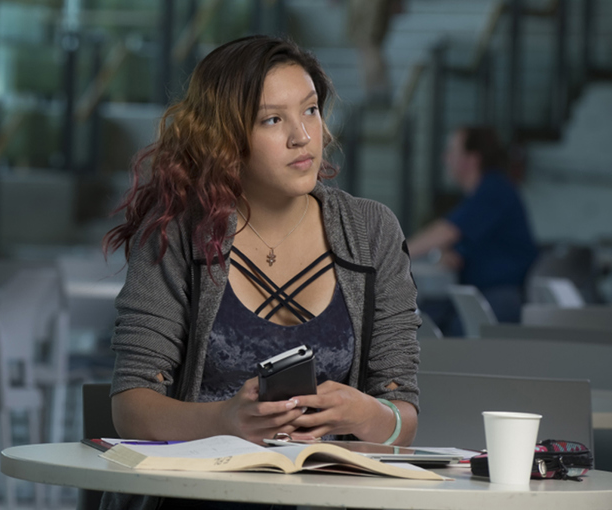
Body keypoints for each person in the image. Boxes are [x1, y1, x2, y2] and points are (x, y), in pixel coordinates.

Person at [102, 35, 421, 510]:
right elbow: (131, 406)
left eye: (310, 110)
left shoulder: (372, 231)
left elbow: (403, 415)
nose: (303, 136)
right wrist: (226, 421)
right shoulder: (177, 233)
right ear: (225, 138)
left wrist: (367, 414)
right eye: (273, 119)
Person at [407, 126, 539, 334]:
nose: (445, 158)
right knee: (426, 316)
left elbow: (446, 232)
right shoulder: (480, 195)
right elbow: (460, 242)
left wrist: (394, 253)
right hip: (481, 291)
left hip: (503, 295)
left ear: (472, 159)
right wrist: (448, 252)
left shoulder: (493, 190)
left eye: (452, 151)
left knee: (447, 330)